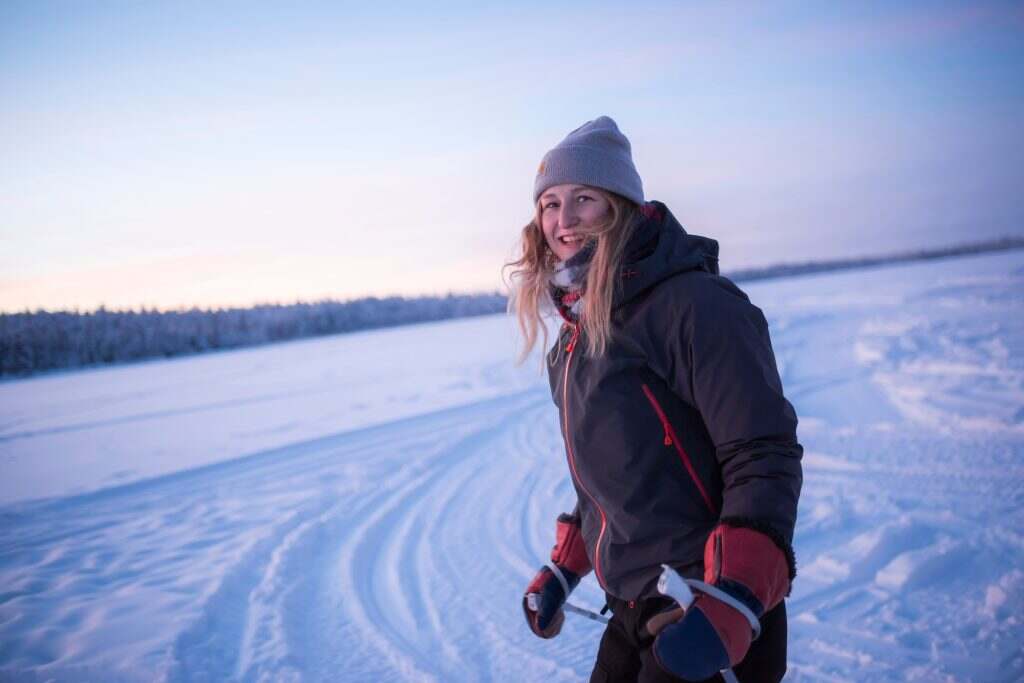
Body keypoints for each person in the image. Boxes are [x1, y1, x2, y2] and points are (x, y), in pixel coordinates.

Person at [508, 117, 803, 683]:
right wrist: (565, 565)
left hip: (705, 607)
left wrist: (736, 596)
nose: (562, 220)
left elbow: (762, 452)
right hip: (634, 601)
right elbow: (609, 478)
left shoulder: (694, 305)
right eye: (549, 203)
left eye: (583, 198)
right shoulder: (578, 336)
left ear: (618, 205)